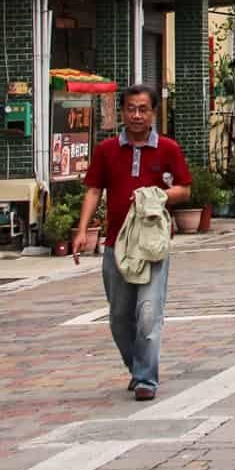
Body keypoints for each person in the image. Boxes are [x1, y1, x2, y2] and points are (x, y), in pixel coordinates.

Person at [72, 85, 190, 401]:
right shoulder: (106, 150)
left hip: (152, 245)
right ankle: (137, 367)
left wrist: (158, 196)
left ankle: (145, 380)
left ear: (153, 113)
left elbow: (185, 190)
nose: (136, 115)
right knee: (120, 316)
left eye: (143, 109)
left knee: (149, 313)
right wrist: (82, 230)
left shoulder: (168, 149)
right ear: (122, 112)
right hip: (116, 245)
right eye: (131, 109)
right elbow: (94, 190)